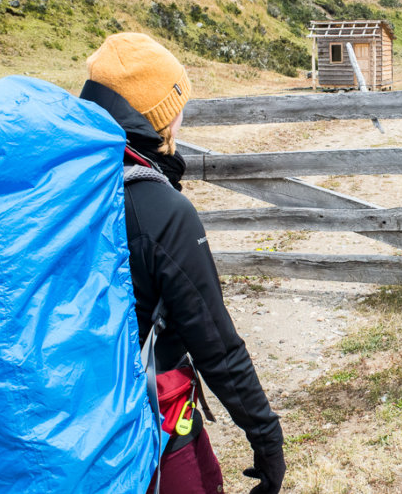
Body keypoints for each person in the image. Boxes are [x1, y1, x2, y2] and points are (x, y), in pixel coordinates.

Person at [80, 32, 285, 494]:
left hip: (74, 412)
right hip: (149, 418)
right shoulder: (157, 208)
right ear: (159, 115)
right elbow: (215, 342)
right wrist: (266, 438)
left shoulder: (68, 179)